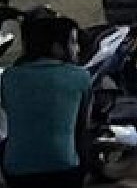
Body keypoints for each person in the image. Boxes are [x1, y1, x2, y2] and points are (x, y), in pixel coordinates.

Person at [0, 14, 90, 188]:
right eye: (72, 42)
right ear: (56, 47)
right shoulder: (81, 76)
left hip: (16, 171)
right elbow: (82, 127)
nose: (77, 48)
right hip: (64, 169)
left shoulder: (9, 77)